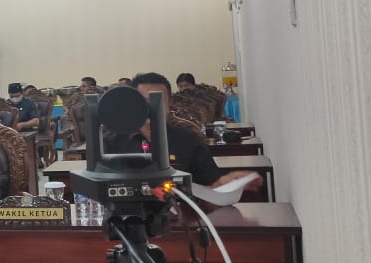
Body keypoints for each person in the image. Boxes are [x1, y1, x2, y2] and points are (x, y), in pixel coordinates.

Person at [105, 73, 263, 190]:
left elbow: (210, 190)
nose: (151, 108)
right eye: (144, 102)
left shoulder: (188, 140)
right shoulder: (110, 143)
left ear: (169, 105)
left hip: (182, 218)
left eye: (158, 101)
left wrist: (225, 184)